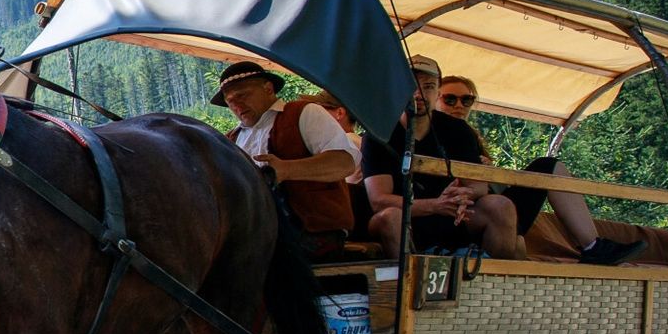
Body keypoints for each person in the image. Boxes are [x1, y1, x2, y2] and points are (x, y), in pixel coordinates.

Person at [361, 56, 645, 265]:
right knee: (390, 217)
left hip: (456, 215)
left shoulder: (457, 130)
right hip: (413, 216)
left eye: (428, 86)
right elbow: (379, 200)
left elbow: (479, 186)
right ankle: (412, 283)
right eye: (410, 85)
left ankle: (494, 280)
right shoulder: (378, 133)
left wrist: (464, 194)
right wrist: (436, 204)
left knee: (501, 205)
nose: (418, 94)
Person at [212, 60, 357, 258]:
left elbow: (344, 163)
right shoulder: (231, 139)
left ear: (268, 89)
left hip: (313, 232)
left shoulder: (303, 113)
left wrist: (286, 170)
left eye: (242, 95)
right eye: (229, 101)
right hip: (255, 235)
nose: (236, 105)